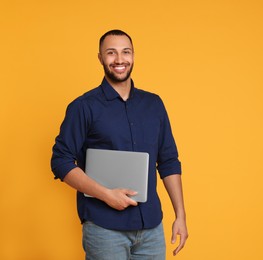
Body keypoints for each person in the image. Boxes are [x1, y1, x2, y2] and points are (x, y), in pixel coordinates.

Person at [51, 29, 188, 260]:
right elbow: (60, 161)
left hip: (151, 227)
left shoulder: (154, 104)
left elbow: (168, 161)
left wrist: (180, 216)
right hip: (104, 229)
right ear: (100, 58)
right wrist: (106, 194)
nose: (119, 60)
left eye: (126, 52)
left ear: (134, 55)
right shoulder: (83, 107)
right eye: (111, 53)